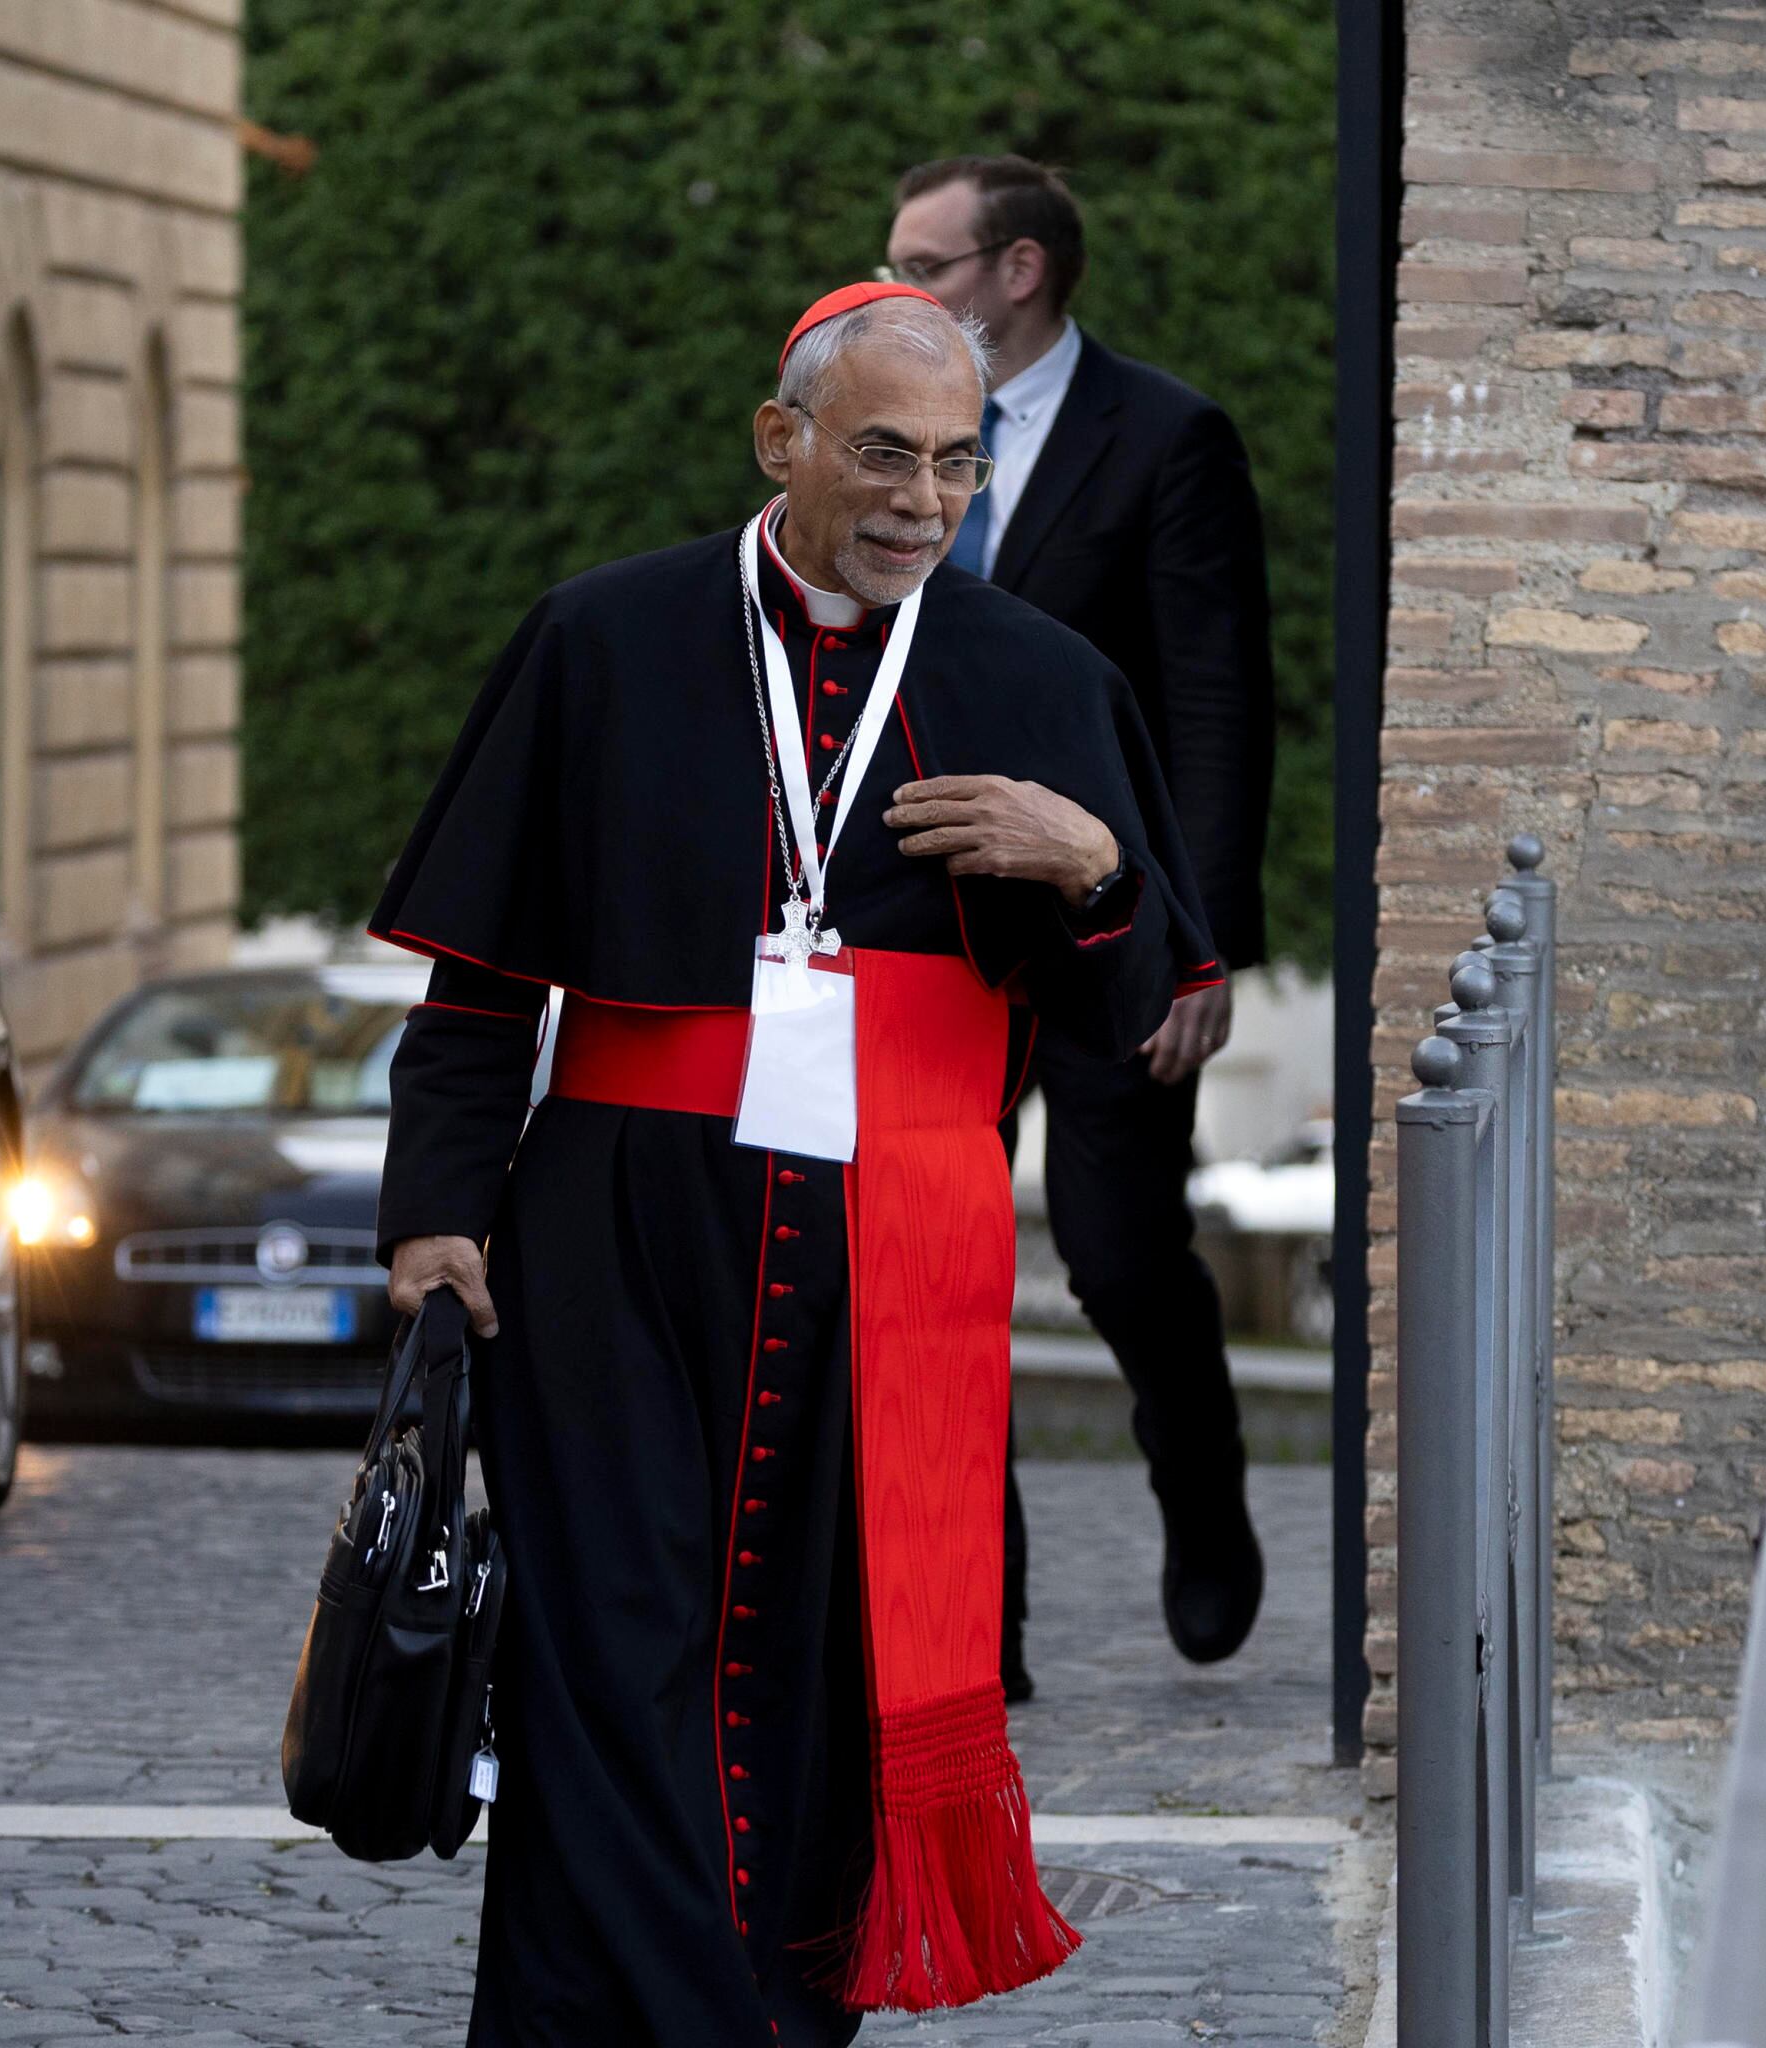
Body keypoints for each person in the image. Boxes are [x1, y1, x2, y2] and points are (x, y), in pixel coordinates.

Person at [372, 281, 1222, 2043]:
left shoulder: (1041, 679)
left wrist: (1096, 874)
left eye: (958, 466)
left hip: (897, 1239)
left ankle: (781, 2015)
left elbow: (1124, 1016)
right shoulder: (602, 642)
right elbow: (481, 984)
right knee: (606, 1660)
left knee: (835, 1677)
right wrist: (439, 1214)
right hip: (615, 1232)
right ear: (786, 444)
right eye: (886, 456)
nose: (924, 502)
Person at [885, 154, 1275, 1695]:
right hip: (929, 929)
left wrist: (1200, 938)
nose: (895, 282)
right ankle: (983, 1619)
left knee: (1118, 1255)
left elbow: (1215, 704)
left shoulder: (1167, 439)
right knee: (939, 1267)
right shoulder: (885, 435)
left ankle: (1206, 1495)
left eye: (926, 261)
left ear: (1019, 270)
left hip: (1108, 921)